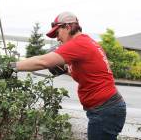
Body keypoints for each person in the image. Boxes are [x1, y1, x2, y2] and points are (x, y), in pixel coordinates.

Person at [9, 11, 126, 140]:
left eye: (57, 33)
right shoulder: (86, 42)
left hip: (105, 110)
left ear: (68, 27)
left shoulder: (78, 44)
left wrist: (13, 66)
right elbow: (86, 72)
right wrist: (65, 69)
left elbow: (42, 61)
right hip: (107, 108)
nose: (57, 38)